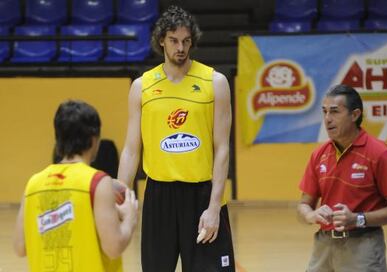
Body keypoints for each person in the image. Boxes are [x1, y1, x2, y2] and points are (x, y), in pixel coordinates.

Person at [117, 5, 235, 272]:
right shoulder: (142, 86)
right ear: (161, 40)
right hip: (160, 196)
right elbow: (131, 151)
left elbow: (222, 150)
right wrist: (120, 197)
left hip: (202, 194)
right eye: (173, 41)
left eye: (186, 41)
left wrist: (214, 207)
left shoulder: (215, 83)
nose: (180, 47)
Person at [14, 100, 138, 271]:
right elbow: (114, 248)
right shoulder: (97, 182)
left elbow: (20, 247)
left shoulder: (33, 184)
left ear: (57, 139)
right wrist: (130, 218)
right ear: (94, 140)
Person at [297, 84, 387, 271]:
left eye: (334, 112)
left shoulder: (379, 153)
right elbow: (303, 205)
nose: (327, 119)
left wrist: (358, 219)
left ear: (355, 115)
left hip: (363, 246)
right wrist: (311, 215)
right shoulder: (319, 154)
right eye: (324, 112)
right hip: (323, 247)